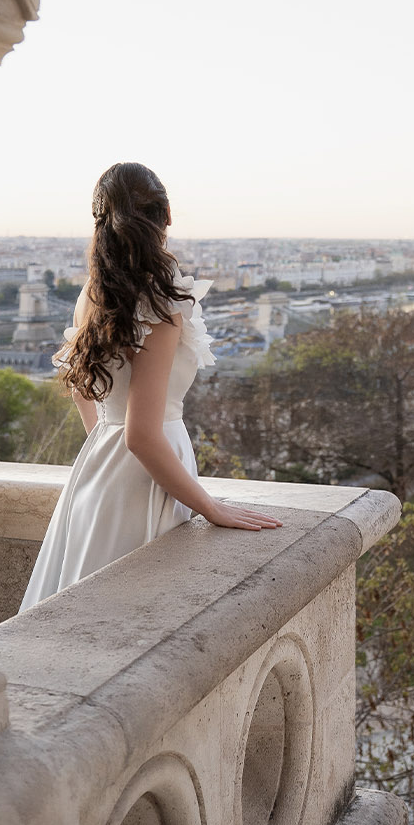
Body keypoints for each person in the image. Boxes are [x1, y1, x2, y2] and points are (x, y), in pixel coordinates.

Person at [19, 162, 281, 610]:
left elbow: (83, 388)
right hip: (149, 471)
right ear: (168, 216)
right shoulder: (162, 302)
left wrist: (108, 443)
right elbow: (143, 434)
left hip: (100, 466)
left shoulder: (94, 294)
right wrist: (210, 507)